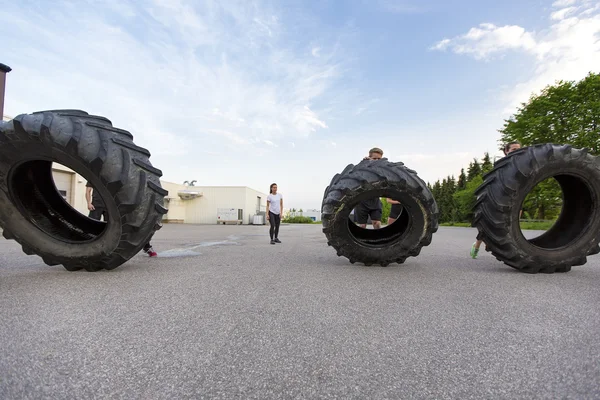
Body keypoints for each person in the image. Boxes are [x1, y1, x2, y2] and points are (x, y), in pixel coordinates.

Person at [470, 141, 522, 258]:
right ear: (506, 151)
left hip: (513, 199)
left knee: (508, 227)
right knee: (487, 227)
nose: (517, 151)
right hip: (497, 199)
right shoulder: (502, 165)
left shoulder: (522, 165)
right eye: (514, 149)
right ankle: (476, 246)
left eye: (519, 148)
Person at [85, 181, 157, 257]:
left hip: (110, 207)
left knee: (110, 229)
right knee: (91, 226)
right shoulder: (95, 177)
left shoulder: (113, 177)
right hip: (96, 205)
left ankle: (146, 246)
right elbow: (88, 191)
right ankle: (86, 246)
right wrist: (89, 203)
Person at [354, 147, 384, 229]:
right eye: (374, 158)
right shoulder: (364, 166)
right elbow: (356, 173)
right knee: (362, 225)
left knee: (377, 223)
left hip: (375, 201)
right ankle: (361, 240)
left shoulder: (383, 169)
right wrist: (364, 162)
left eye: (379, 159)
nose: (377, 160)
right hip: (362, 201)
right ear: (369, 157)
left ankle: (378, 239)